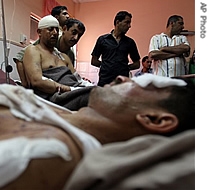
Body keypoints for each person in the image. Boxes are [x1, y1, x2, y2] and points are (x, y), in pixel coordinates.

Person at [0, 74, 195, 189]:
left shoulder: (51, 151)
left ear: (155, 119)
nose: (121, 77)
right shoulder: (57, 114)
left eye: (141, 83)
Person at [22, 15, 93, 111]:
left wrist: (91, 86)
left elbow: (79, 80)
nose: (55, 33)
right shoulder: (33, 51)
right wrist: (69, 89)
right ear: (39, 32)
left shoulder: (64, 56)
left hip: (74, 92)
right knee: (93, 97)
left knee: (100, 92)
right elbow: (37, 81)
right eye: (50, 29)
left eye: (56, 30)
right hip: (58, 97)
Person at [91, 10, 140, 86]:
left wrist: (124, 67)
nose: (129, 26)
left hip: (122, 83)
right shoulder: (102, 40)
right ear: (118, 22)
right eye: (127, 22)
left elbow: (137, 64)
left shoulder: (130, 42)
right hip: (105, 82)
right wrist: (106, 66)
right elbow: (94, 61)